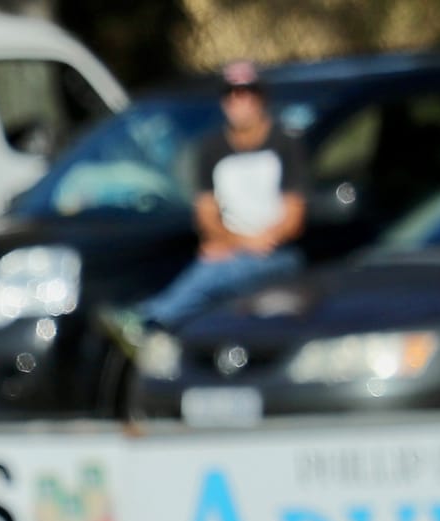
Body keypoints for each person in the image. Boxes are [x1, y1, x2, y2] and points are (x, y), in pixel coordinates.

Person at [114, 59, 306, 343]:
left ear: (260, 98)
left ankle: (152, 318)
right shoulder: (211, 149)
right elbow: (206, 214)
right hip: (228, 251)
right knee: (214, 269)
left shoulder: (285, 145)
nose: (239, 101)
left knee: (218, 272)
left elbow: (293, 217)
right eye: (231, 94)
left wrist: (250, 243)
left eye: (246, 93)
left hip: (274, 253)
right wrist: (236, 242)